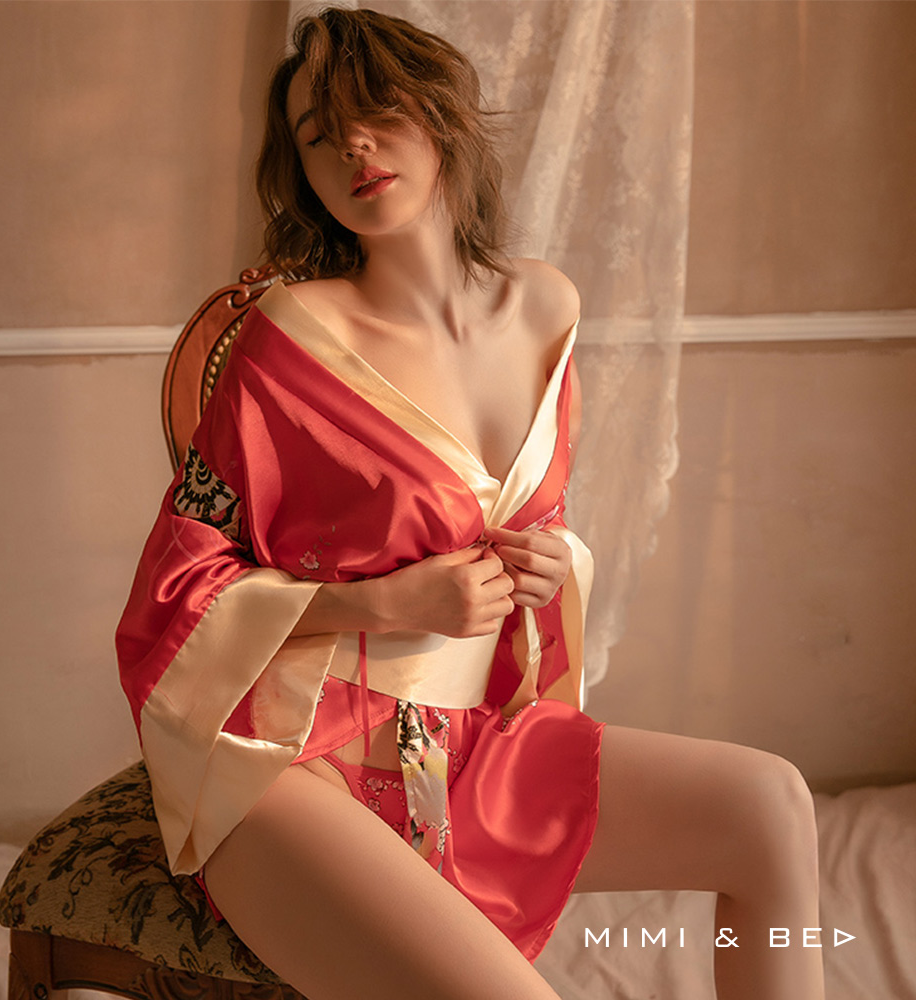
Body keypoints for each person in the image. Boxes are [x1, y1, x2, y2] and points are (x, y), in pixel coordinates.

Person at [117, 8, 824, 1000]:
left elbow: (531, 523)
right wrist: (378, 603)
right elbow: (176, 586)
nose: (353, 146)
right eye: (319, 135)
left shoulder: (545, 309)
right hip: (288, 760)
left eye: (376, 112)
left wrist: (551, 562)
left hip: (463, 742)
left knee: (769, 805)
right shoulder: (289, 338)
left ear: (441, 115)